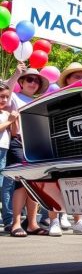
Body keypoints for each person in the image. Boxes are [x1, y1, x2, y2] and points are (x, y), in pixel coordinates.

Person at [44, 62, 82, 236]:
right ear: (67, 80)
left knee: (81, 182)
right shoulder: (57, 97)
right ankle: (53, 221)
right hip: (61, 145)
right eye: (77, 76)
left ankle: (79, 221)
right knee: (56, 182)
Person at [7, 67, 51, 236]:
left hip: (36, 146)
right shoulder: (14, 97)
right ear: (22, 83)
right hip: (18, 143)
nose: (33, 83)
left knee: (34, 184)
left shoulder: (38, 101)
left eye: (37, 80)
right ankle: (16, 223)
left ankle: (32, 224)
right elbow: (7, 90)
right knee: (21, 183)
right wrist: (16, 73)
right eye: (29, 79)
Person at [0, 82, 19, 230]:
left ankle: (8, 219)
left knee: (6, 185)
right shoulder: (5, 117)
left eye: (6, 97)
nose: (4, 100)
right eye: (1, 97)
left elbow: (13, 133)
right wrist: (9, 121)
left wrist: (15, 120)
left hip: (4, 151)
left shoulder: (6, 114)